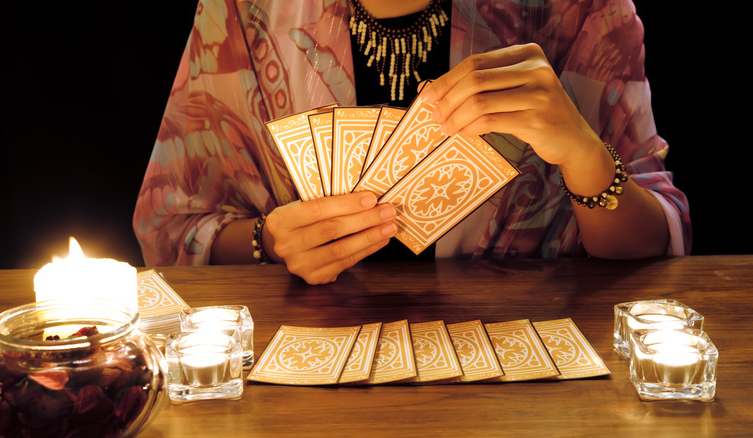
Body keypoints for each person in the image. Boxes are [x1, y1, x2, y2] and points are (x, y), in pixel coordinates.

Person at [133, 0, 691, 285]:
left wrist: (584, 155)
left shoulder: (580, 9)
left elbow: (659, 244)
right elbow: (171, 230)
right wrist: (269, 242)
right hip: (306, 384)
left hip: (529, 386)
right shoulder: (239, 12)